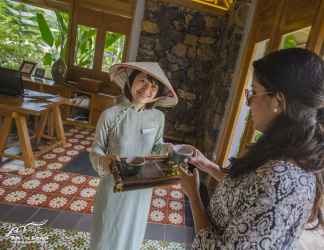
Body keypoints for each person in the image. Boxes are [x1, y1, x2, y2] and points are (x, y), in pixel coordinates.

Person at [180, 48, 324, 249]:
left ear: (278, 101)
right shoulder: (280, 150)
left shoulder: (282, 179)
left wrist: (194, 196)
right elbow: (249, 194)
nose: (248, 102)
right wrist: (209, 166)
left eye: (254, 92)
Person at [90, 62, 178, 250]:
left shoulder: (158, 117)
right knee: (106, 231)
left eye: (154, 86)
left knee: (132, 231)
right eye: (143, 81)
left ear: (158, 93)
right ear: (131, 82)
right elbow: (96, 149)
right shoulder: (110, 115)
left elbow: (156, 146)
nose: (147, 89)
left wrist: (168, 148)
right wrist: (105, 160)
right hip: (114, 186)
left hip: (142, 188)